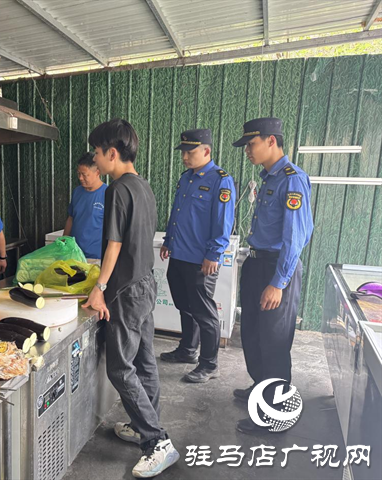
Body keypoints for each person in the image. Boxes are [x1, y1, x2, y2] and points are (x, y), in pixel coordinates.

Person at [83, 118, 179, 478]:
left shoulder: (117, 189)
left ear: (112, 153)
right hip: (145, 283)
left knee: (120, 368)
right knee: (144, 361)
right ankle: (145, 427)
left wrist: (100, 288)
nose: (95, 160)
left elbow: (114, 245)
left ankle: (157, 442)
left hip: (124, 290)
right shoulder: (143, 186)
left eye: (96, 153)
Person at [230, 117, 313, 434]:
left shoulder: (292, 180)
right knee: (252, 334)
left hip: (277, 269)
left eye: (251, 144)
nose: (247, 151)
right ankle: (261, 387)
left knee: (274, 342)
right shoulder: (268, 178)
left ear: (271, 141)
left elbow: (296, 237)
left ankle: (276, 414)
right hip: (257, 264)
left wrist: (278, 283)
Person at [159, 129, 236, 383]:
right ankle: (187, 350)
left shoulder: (220, 180)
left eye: (190, 152)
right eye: (183, 152)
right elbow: (177, 212)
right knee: (185, 305)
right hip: (179, 253)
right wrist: (168, 240)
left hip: (201, 259)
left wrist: (214, 254)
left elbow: (223, 223)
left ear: (206, 151)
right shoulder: (186, 178)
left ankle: (209, 364)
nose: (184, 157)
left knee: (204, 312)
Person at [63, 152, 108, 260]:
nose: (80, 178)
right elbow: (71, 218)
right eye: (78, 173)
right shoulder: (77, 192)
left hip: (96, 256)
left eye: (84, 174)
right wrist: (64, 241)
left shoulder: (108, 194)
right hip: (74, 254)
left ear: (97, 172)